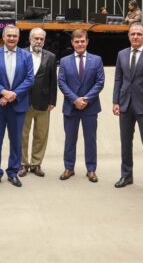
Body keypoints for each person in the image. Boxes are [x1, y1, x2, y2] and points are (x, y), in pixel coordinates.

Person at [113, 22, 143, 195]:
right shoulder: (122, 53)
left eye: (139, 34)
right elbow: (118, 79)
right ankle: (126, 175)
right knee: (125, 143)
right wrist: (115, 101)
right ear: (128, 36)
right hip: (125, 104)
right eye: (132, 34)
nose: (135, 37)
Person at [0, 25, 34, 188]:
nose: (12, 38)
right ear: (3, 37)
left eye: (15, 36)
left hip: (18, 105)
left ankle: (13, 173)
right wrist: (2, 92)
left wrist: (13, 94)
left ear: (19, 38)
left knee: (16, 141)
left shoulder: (26, 56)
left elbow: (30, 79)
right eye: (9, 35)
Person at [58, 29, 105, 182]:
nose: (80, 44)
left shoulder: (96, 60)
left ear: (87, 42)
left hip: (90, 107)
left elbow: (100, 82)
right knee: (70, 140)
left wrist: (86, 99)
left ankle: (91, 169)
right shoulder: (64, 61)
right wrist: (75, 99)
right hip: (71, 106)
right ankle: (68, 168)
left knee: (90, 140)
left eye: (82, 41)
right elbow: (61, 82)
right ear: (72, 43)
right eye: (77, 41)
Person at [19, 28, 57, 178]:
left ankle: (36, 164)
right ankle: (23, 164)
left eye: (41, 39)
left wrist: (52, 100)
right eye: (36, 38)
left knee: (41, 135)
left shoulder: (51, 57)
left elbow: (53, 80)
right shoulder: (20, 54)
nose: (39, 41)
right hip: (23, 101)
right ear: (30, 39)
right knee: (22, 135)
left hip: (43, 102)